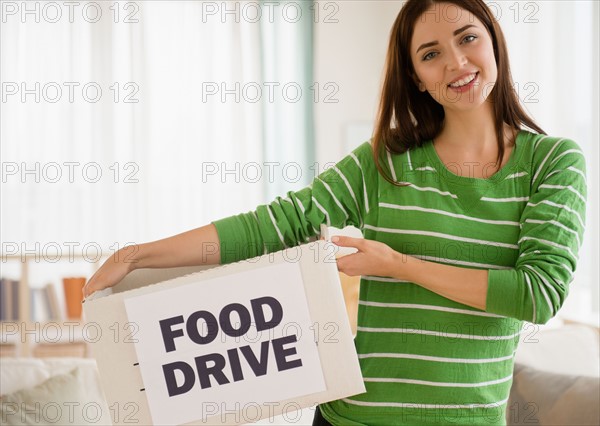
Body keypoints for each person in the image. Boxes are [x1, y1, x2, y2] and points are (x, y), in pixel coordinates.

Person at [83, 0, 587, 425]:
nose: (456, 62)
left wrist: (400, 265)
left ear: (494, 40)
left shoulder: (552, 163)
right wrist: (138, 254)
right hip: (353, 416)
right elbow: (275, 225)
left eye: (467, 38)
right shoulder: (383, 163)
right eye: (432, 54)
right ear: (415, 76)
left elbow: (537, 295)